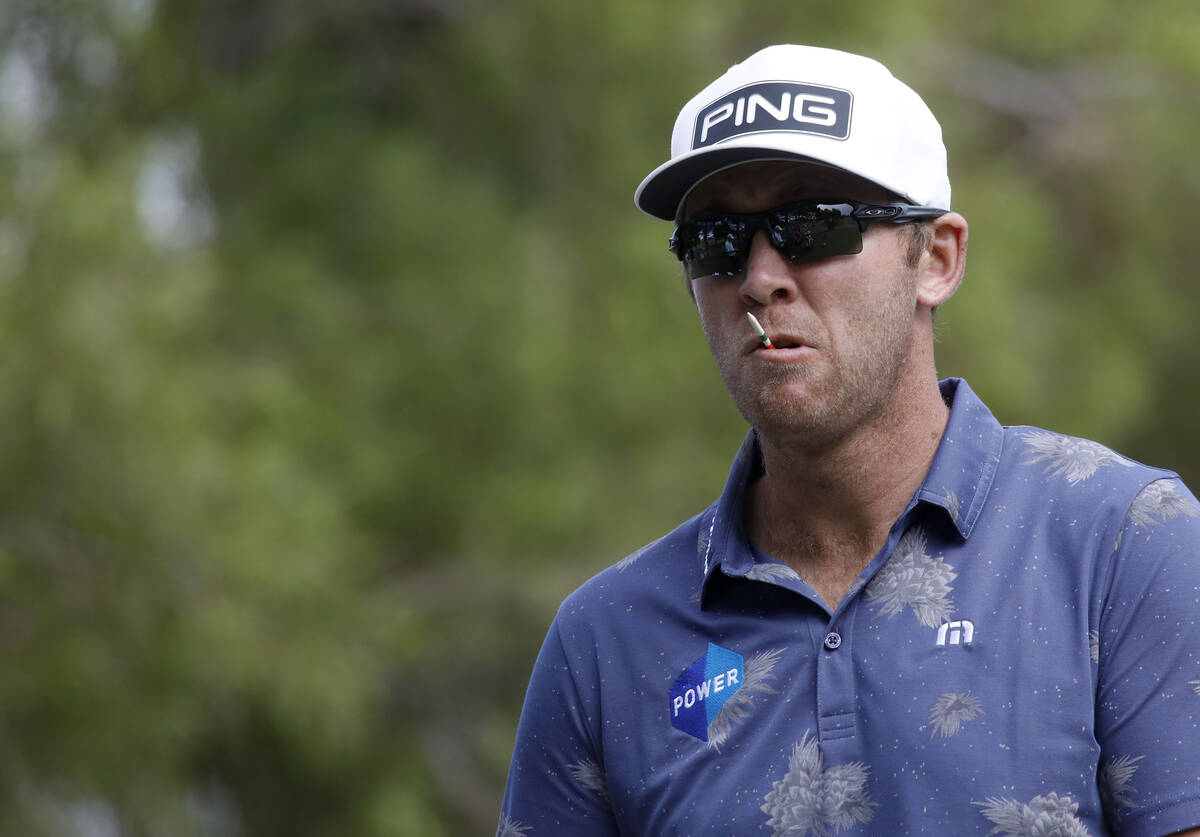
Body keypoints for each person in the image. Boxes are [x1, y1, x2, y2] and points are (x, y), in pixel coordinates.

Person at [497, 44, 1200, 836]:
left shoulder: (1124, 544)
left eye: (810, 225)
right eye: (717, 240)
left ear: (934, 259)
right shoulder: (605, 639)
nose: (760, 277)